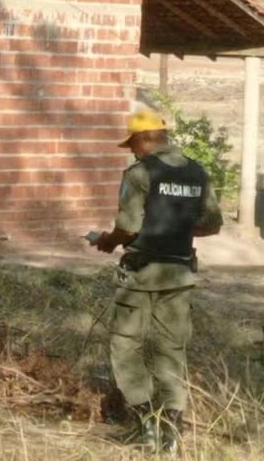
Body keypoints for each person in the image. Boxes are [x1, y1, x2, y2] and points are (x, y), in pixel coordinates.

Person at [90, 108, 223, 454]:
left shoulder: (139, 173)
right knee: (171, 350)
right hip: (180, 274)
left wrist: (108, 240)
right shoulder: (197, 171)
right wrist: (176, 232)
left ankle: (147, 422)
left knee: (126, 345)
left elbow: (129, 227)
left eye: (133, 143)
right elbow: (212, 224)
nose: (132, 151)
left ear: (146, 138)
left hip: (141, 274)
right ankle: (173, 433)